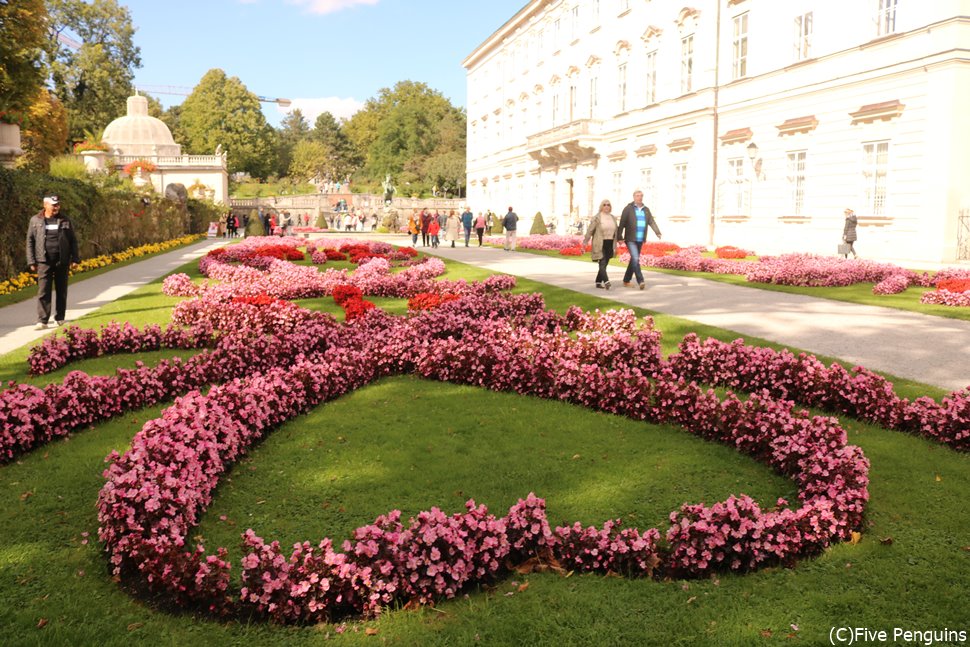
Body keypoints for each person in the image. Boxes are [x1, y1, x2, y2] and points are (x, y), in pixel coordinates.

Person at [26, 195, 80, 329]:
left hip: (62, 260)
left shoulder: (65, 220)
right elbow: (30, 241)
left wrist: (75, 258)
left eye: (57, 205)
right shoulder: (35, 220)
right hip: (44, 261)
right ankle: (43, 321)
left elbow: (73, 240)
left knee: (61, 290)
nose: (56, 207)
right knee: (43, 290)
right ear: (45, 205)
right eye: (53, 205)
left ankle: (60, 317)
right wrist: (31, 260)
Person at [615, 189, 662, 290]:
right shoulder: (628, 209)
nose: (639, 197)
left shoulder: (646, 210)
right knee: (636, 258)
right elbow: (622, 223)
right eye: (637, 195)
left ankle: (626, 280)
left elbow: (651, 221)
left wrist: (657, 232)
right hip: (630, 239)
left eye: (641, 196)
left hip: (640, 239)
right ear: (634, 197)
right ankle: (641, 280)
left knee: (633, 260)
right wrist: (619, 237)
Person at [583, 199, 619, 290]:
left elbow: (616, 231)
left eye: (608, 205)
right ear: (601, 206)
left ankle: (598, 281)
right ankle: (607, 281)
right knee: (602, 262)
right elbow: (590, 230)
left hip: (610, 242)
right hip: (600, 242)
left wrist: (620, 240)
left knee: (605, 263)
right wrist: (585, 241)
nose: (606, 206)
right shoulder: (597, 217)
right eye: (604, 205)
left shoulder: (613, 218)